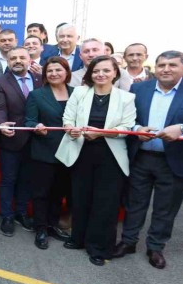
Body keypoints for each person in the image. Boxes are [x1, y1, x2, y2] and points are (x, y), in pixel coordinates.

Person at [111, 50, 183, 268]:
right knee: (134, 203)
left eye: (172, 65)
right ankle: (128, 241)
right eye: (161, 65)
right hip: (141, 157)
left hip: (175, 160)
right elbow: (127, 118)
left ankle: (155, 247)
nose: (166, 69)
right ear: (155, 67)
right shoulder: (139, 88)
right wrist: (136, 129)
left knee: (165, 207)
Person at [56, 55, 136, 266]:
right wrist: (71, 130)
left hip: (110, 156)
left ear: (115, 73)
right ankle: (78, 238)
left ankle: (99, 248)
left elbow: (126, 127)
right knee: (80, 199)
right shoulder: (80, 92)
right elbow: (67, 118)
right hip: (81, 152)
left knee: (105, 204)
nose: (101, 74)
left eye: (106, 70)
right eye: (96, 71)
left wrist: (100, 133)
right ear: (90, 73)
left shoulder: (126, 98)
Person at [0, 47, 43, 236]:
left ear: (30, 60)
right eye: (13, 58)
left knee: (26, 179)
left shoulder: (40, 79)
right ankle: (7, 216)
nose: (18, 61)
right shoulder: (0, 82)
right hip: (11, 138)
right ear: (8, 61)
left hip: (37, 139)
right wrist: (1, 124)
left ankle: (21, 212)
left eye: (22, 57)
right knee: (8, 179)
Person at [24, 57, 74, 249]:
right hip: (44, 151)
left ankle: (53, 224)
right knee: (41, 193)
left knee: (59, 192)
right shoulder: (36, 95)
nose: (54, 74)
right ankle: (41, 228)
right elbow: (29, 120)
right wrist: (36, 126)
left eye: (58, 70)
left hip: (69, 151)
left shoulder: (77, 93)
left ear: (66, 72)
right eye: (50, 71)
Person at [69, 38, 133, 91]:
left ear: (104, 52)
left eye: (95, 50)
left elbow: (125, 98)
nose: (91, 54)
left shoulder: (120, 73)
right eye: (86, 51)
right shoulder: (73, 77)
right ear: (80, 56)